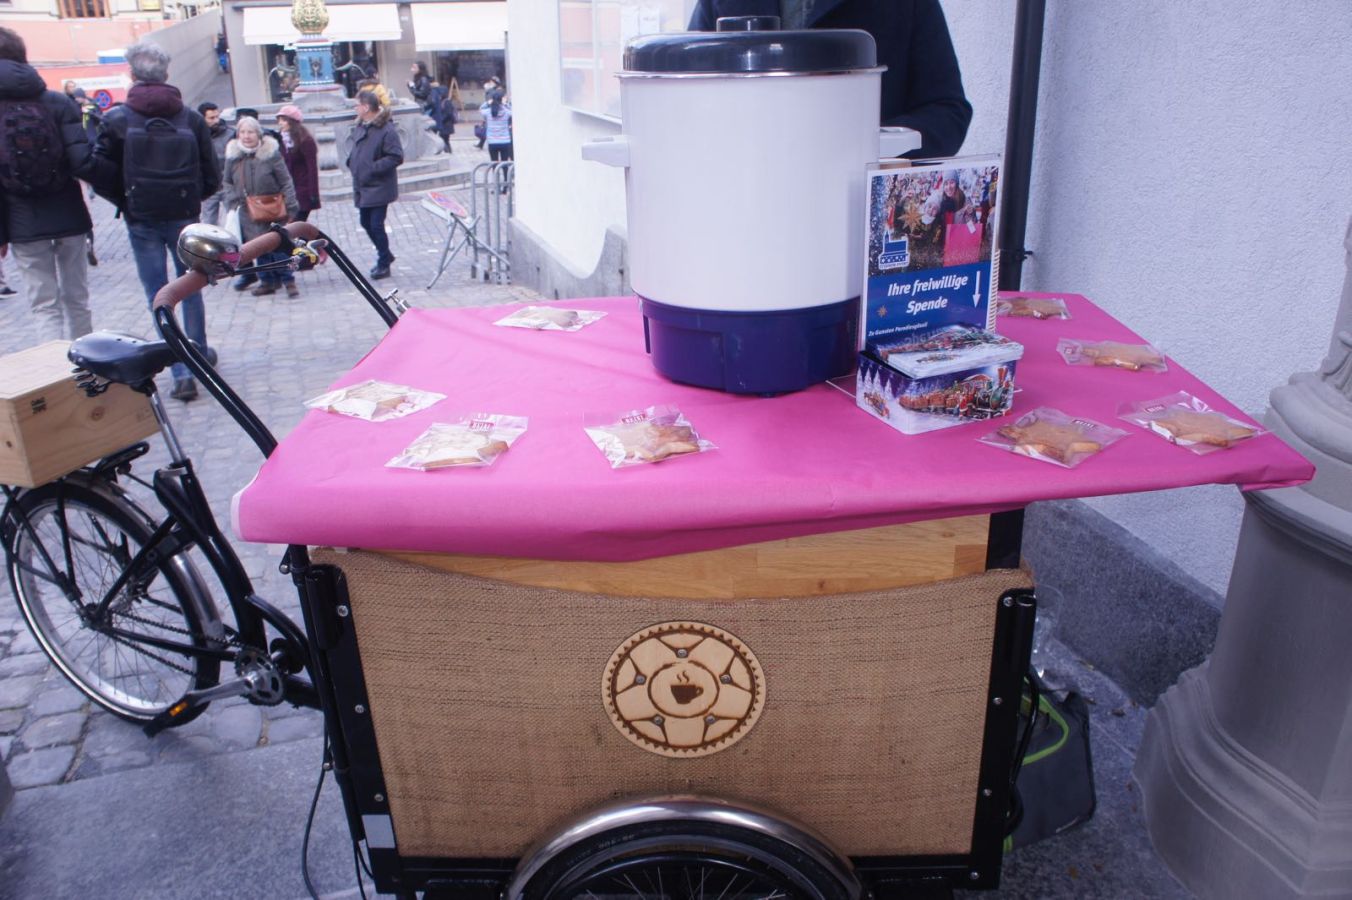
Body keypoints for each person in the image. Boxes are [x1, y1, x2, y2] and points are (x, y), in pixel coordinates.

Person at [86, 40, 219, 402]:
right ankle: (198, 361)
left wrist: (124, 199)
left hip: (142, 216)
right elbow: (212, 173)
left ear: (132, 74)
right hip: (183, 215)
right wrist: (192, 199)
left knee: (158, 294)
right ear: (166, 74)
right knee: (190, 288)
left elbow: (99, 170)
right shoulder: (190, 118)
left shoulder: (117, 119)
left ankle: (180, 372)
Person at [688, 0, 972, 158]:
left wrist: (873, 147)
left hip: (854, 215)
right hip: (744, 207)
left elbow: (947, 112)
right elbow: (688, 107)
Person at [0, 27, 97, 341]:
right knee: (77, 300)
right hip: (69, 213)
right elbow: (82, 162)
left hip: (23, 223)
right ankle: (87, 362)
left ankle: (56, 367)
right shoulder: (57, 102)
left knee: (44, 305)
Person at [222, 116, 299, 298]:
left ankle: (288, 280)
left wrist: (291, 204)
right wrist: (232, 200)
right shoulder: (234, 156)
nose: (246, 136)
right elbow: (227, 182)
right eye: (242, 132)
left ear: (258, 134)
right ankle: (267, 281)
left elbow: (285, 181)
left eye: (250, 132)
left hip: (272, 207)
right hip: (247, 211)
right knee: (258, 247)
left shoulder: (271, 154)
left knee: (279, 246)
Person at [344, 90, 402, 279]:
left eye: (357, 105)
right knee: (365, 222)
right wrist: (352, 162)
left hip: (379, 186)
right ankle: (386, 254)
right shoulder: (362, 126)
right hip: (363, 184)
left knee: (376, 224)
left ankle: (384, 262)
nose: (355, 108)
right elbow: (358, 149)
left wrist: (372, 168)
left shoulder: (386, 129)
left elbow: (396, 156)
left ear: (366, 107)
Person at [275, 104, 320, 222]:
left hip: (302, 191)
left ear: (292, 122)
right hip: (286, 192)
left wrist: (313, 194)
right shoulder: (279, 140)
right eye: (279, 120)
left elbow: (312, 169)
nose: (280, 123)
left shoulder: (305, 140)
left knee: (296, 224)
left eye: (284, 120)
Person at [198, 101, 234, 227]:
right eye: (211, 118)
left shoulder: (230, 134)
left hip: (228, 185)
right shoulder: (197, 136)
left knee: (233, 221)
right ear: (202, 118)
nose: (216, 121)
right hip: (209, 186)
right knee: (208, 224)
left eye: (217, 116)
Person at [480, 88, 513, 163]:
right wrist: (506, 104)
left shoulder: (488, 112)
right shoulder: (506, 112)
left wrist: (487, 103)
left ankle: (495, 171)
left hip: (492, 141)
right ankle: (505, 171)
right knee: (505, 164)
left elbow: (481, 109)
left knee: (494, 163)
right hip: (505, 141)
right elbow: (512, 111)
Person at [429, 79, 456, 153]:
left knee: (444, 139)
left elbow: (448, 114)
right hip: (445, 125)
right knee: (445, 139)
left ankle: (448, 151)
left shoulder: (446, 102)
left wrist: (441, 119)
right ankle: (448, 151)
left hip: (447, 125)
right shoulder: (443, 101)